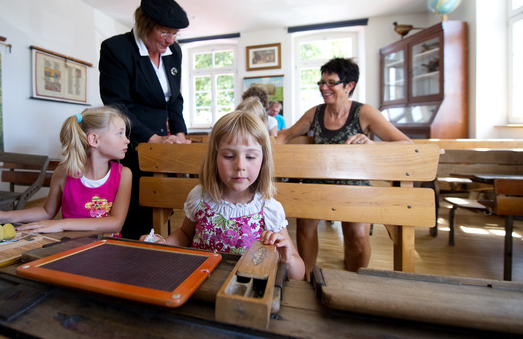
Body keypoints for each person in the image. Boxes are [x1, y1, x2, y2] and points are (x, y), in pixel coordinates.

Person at [276, 58, 412, 277]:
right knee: (305, 224)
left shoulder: (364, 113)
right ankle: (306, 277)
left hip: (353, 183)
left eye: (330, 82)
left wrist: (373, 144)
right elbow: (285, 135)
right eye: (321, 83)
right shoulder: (315, 113)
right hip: (316, 182)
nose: (323, 88)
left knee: (357, 235)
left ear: (349, 86)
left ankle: (355, 279)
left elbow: (407, 144)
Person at [140, 111, 305, 280]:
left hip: (242, 293)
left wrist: (286, 260)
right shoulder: (200, 197)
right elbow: (185, 234)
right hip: (196, 283)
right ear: (214, 158)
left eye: (250, 156)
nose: (240, 165)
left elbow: (299, 273)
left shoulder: (268, 208)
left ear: (263, 160)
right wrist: (164, 245)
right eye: (229, 156)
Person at [99, 0, 191, 239]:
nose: (171, 40)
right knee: (137, 212)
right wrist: (153, 139)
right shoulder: (116, 49)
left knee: (162, 208)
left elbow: (175, 98)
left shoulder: (175, 53)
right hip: (133, 142)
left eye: (175, 34)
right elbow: (118, 105)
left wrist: (179, 135)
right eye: (164, 32)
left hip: (164, 146)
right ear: (144, 25)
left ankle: (158, 251)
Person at [0, 106, 133, 236]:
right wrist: (2, 216)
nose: (127, 140)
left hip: (106, 250)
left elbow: (115, 223)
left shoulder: (123, 175)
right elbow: (47, 212)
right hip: (68, 248)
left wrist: (60, 224)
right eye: (120, 133)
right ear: (94, 140)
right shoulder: (63, 173)